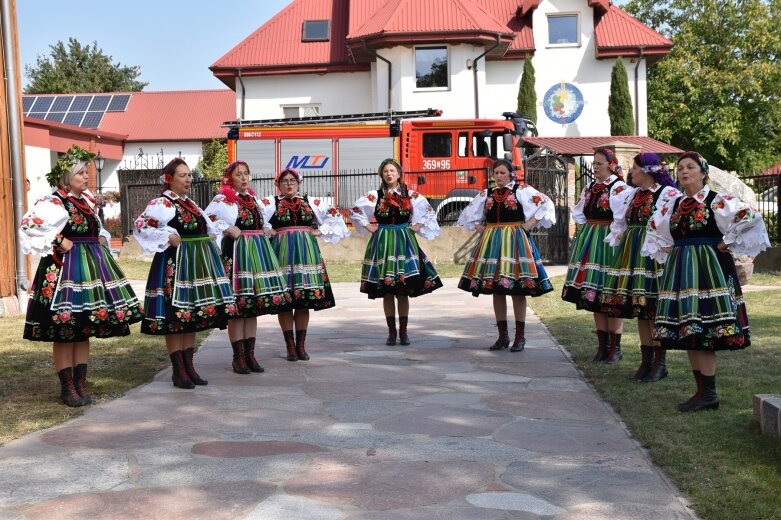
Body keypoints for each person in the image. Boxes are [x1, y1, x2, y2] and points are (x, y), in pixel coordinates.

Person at [643, 151, 769, 412]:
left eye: (690, 167)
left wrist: (727, 240)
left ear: (703, 173)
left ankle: (709, 393)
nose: (684, 172)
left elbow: (751, 216)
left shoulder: (716, 201)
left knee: (707, 330)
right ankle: (701, 392)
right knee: (691, 330)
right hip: (681, 271)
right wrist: (670, 249)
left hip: (709, 271)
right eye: (680, 168)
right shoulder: (674, 204)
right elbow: (653, 228)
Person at [20, 145, 143, 406]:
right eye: (80, 174)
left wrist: (100, 236)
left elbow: (95, 228)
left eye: (85, 173)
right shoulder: (53, 201)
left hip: (90, 267)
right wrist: (58, 239)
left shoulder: (84, 201)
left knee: (84, 327)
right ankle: (67, 387)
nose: (85, 177)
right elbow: (29, 224)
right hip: (66, 269)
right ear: (67, 178)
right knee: (65, 329)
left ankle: (80, 383)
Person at [134, 158, 235, 389]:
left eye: (189, 175)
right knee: (175, 317)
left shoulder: (190, 203)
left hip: (195, 267)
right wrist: (166, 236)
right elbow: (142, 225)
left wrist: (210, 235)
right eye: (183, 175)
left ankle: (189, 367)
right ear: (169, 179)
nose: (188, 179)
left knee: (190, 317)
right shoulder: (163, 203)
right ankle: (178, 371)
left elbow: (210, 225)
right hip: (175, 265)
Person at [456, 158, 556, 351]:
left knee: (518, 289)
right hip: (492, 243)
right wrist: (481, 228)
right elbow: (469, 213)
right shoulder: (487, 193)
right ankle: (502, 336)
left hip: (516, 242)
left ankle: (520, 337)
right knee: (497, 289)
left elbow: (546, 204)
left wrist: (529, 224)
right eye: (496, 173)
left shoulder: (522, 190)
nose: (499, 176)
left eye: (503, 172)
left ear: (511, 174)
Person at [205, 161, 292, 374]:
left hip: (257, 252)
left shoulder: (252, 199)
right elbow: (207, 219)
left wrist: (266, 228)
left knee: (251, 308)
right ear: (230, 179)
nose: (243, 178)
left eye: (246, 174)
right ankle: (238, 357)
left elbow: (262, 221)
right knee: (238, 307)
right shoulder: (223, 199)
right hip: (237, 253)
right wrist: (227, 228)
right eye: (239, 174)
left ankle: (250, 355)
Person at [601, 153, 680, 381]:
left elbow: (672, 224)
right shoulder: (632, 195)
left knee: (653, 308)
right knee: (641, 308)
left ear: (647, 170)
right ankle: (646, 361)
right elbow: (621, 222)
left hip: (652, 254)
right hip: (633, 252)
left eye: (634, 168)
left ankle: (659, 363)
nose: (631, 172)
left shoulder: (667, 194)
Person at [259, 168, 350, 361]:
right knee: (285, 302)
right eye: (284, 181)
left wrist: (320, 230)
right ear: (278, 185)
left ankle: (301, 345)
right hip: (281, 253)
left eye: (292, 180)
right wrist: (269, 230)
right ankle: (290, 346)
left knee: (303, 301)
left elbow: (335, 217)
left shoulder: (311, 202)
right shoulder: (270, 203)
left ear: (298, 183)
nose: (289, 184)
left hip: (307, 253)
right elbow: (254, 218)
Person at [350, 158, 443, 346]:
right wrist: (369, 226)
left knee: (403, 289)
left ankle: (404, 332)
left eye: (392, 170)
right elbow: (355, 211)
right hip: (383, 242)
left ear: (399, 173)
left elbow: (428, 211)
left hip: (404, 242)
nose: (389, 174)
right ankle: (391, 332)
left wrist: (415, 227)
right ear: (381, 175)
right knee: (387, 291)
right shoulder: (374, 196)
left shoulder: (411, 195)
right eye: (385, 171)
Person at [561, 147, 629, 363]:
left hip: (610, 241)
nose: (595, 167)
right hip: (591, 238)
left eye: (599, 163)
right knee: (594, 294)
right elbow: (579, 212)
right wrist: (586, 231)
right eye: (594, 164)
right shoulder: (590, 187)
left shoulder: (619, 188)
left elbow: (622, 218)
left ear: (611, 165)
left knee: (610, 293)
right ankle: (603, 346)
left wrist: (610, 234)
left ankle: (615, 348)